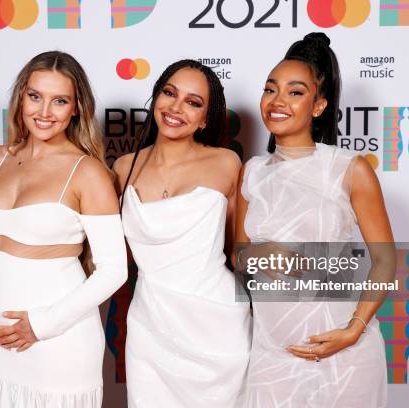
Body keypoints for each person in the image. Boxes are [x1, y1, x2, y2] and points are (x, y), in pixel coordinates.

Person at [0, 51, 127, 407]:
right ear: (21, 98)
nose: (44, 113)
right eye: (35, 97)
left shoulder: (87, 172)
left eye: (59, 101)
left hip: (57, 345)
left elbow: (114, 270)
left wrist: (41, 324)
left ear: (76, 108)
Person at [236, 33, 394, 407]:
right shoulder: (252, 172)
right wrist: (263, 254)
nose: (277, 101)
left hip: (344, 354)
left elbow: (386, 260)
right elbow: (237, 255)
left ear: (319, 105)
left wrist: (354, 331)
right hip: (271, 355)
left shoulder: (349, 169)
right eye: (270, 89)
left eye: (295, 92)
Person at [113, 59, 251, 408]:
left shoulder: (227, 163)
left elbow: (241, 252)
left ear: (205, 119)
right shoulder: (122, 168)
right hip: (149, 330)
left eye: (193, 102)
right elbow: (110, 256)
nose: (176, 108)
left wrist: (325, 278)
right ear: (156, 97)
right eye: (169, 93)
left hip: (219, 327)